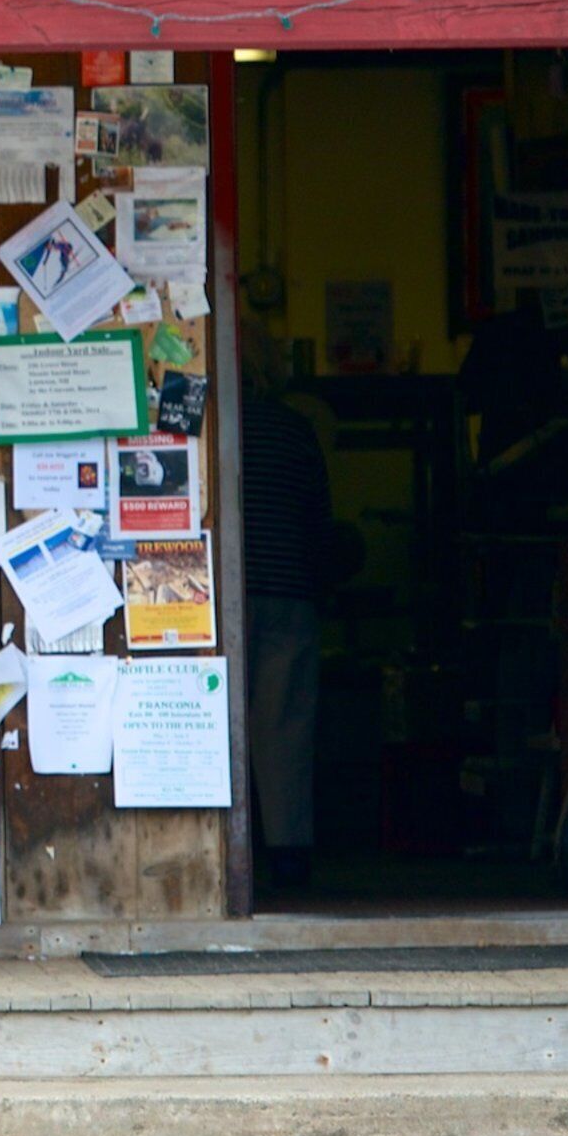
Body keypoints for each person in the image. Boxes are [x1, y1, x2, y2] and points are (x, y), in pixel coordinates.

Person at [239, 334, 335, 893]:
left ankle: (223, 845)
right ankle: (289, 854)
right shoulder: (297, 431)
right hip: (288, 596)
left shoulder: (212, 427)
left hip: (222, 600)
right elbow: (320, 526)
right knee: (285, 729)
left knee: (220, 726)